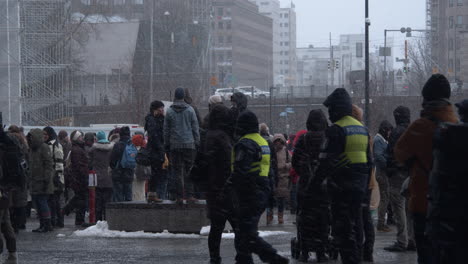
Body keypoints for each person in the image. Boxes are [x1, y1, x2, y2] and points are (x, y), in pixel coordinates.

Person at [395, 74, 458, 264]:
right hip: (452, 204)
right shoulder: (456, 124)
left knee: (426, 253)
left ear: (427, 99)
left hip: (424, 201)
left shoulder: (421, 126)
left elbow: (399, 153)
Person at [317, 88, 371, 264]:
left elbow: (323, 165)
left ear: (337, 109)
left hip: (340, 189)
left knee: (343, 233)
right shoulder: (362, 129)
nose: (329, 114)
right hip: (359, 189)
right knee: (356, 228)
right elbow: (369, 163)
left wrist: (313, 188)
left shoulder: (336, 130)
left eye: (331, 109)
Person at [231, 110, 289, 264]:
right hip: (262, 189)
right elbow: (270, 168)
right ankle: (243, 259)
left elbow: (241, 171)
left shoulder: (244, 143)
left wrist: (231, 186)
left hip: (249, 192)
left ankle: (273, 257)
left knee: (246, 232)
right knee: (245, 230)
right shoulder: (264, 142)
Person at [292, 109, 330, 263]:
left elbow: (295, 162)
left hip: (305, 186)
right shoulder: (327, 139)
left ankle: (304, 250)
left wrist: (305, 172)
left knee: (304, 218)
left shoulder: (303, 139)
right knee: (323, 218)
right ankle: (321, 251)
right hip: (322, 186)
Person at [205, 104, 239, 264]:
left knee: (216, 228)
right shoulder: (224, 137)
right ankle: (241, 255)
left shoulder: (206, 136)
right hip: (226, 188)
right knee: (238, 225)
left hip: (212, 189)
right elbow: (228, 164)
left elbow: (199, 165)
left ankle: (214, 258)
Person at [384, 106, 413, 252]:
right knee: (409, 208)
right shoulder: (413, 130)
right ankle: (412, 239)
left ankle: (402, 241)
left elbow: (391, 153)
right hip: (411, 174)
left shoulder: (396, 132)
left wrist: (390, 169)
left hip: (397, 174)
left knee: (398, 207)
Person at [164, 88, 200, 204]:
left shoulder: (169, 111)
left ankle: (179, 196)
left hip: (175, 145)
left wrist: (167, 143)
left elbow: (166, 130)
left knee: (176, 171)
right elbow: (195, 127)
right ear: (184, 96)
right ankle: (190, 195)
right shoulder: (190, 110)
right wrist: (197, 142)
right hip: (189, 144)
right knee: (189, 170)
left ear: (175, 96)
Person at [351, 104, 375, 262]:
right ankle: (369, 251)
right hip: (368, 180)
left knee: (357, 218)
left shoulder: (351, 132)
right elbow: (370, 159)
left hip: (357, 181)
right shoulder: (366, 132)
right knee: (367, 218)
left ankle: (358, 252)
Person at [29, 128, 55, 232]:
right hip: (35, 180)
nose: (30, 138)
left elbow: (48, 165)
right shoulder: (33, 148)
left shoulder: (44, 147)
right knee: (39, 204)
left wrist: (46, 179)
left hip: (42, 181)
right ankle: (42, 224)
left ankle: (47, 224)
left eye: (32, 136)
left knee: (42, 202)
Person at [63, 131, 89, 226]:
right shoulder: (77, 150)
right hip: (79, 178)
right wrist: (84, 172)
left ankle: (68, 210)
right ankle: (78, 218)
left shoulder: (77, 148)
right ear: (76, 138)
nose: (82, 138)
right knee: (81, 199)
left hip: (78, 178)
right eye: (80, 137)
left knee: (79, 197)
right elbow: (78, 166)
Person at [7, 126, 29, 232]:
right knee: (20, 202)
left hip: (10, 178)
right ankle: (20, 223)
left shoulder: (7, 146)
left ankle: (12, 224)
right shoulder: (24, 144)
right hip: (21, 176)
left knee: (10, 202)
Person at [145, 100, 167, 201]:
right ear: (155, 110)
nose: (162, 110)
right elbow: (154, 136)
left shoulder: (160, 119)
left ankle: (153, 194)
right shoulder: (152, 120)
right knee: (157, 174)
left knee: (157, 174)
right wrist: (161, 148)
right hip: (156, 151)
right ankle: (155, 195)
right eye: (160, 108)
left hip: (159, 150)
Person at [89, 131, 114, 221]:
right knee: (107, 201)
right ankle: (108, 219)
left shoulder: (93, 149)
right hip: (108, 177)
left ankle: (98, 220)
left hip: (97, 178)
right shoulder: (111, 149)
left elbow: (90, 163)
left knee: (98, 201)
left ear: (98, 138)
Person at [43, 127, 65, 229]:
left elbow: (59, 163)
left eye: (46, 134)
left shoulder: (55, 145)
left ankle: (58, 221)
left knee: (54, 201)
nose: (44, 136)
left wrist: (57, 176)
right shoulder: (49, 145)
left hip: (56, 178)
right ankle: (56, 220)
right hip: (52, 177)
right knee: (53, 201)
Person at [373, 120, 393, 233]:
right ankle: (381, 223)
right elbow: (378, 156)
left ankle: (382, 222)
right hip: (382, 173)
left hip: (382, 173)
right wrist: (388, 164)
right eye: (389, 130)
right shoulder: (379, 140)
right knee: (385, 198)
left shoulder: (380, 139)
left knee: (386, 197)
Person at [110, 127, 134, 202]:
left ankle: (120, 212)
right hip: (129, 173)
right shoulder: (132, 145)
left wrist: (114, 168)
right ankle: (129, 212)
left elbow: (112, 161)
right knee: (128, 195)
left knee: (118, 196)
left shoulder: (117, 145)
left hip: (118, 174)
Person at [270, 134, 291, 225]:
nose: (278, 145)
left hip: (283, 178)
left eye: (280, 143)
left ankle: (280, 217)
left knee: (281, 200)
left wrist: (286, 166)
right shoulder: (271, 151)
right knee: (270, 198)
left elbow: (292, 162)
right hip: (273, 177)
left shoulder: (286, 152)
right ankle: (269, 215)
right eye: (276, 143)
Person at [259, 123, 277, 225]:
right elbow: (273, 159)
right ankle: (269, 213)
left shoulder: (257, 141)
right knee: (269, 194)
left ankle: (263, 214)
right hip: (269, 171)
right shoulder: (269, 142)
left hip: (260, 172)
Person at [132, 134, 151, 201]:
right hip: (143, 173)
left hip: (135, 173)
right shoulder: (144, 149)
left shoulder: (133, 150)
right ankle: (142, 201)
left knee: (136, 191)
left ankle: (137, 203)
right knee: (142, 190)